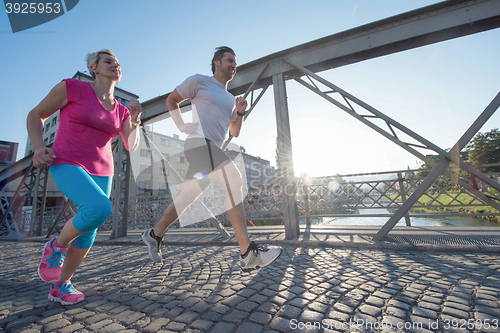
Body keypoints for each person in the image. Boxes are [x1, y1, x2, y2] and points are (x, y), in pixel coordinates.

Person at [142, 46, 281, 270]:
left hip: (211, 150)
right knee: (234, 180)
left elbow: (234, 131)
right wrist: (180, 124)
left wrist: (241, 112)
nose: (234, 65)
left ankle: (154, 234)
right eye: (229, 60)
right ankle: (248, 252)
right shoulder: (199, 81)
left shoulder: (229, 99)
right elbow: (172, 100)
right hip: (198, 144)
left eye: (235, 62)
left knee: (186, 198)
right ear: (216, 63)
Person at [26, 49, 142, 305]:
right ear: (95, 68)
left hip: (102, 170)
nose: (116, 65)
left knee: (88, 231)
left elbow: (131, 144)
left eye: (118, 63)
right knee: (99, 207)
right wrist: (37, 147)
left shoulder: (121, 110)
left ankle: (60, 285)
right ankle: (55, 246)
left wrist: (136, 119)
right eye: (109, 61)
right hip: (66, 160)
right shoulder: (72, 88)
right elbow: (35, 115)